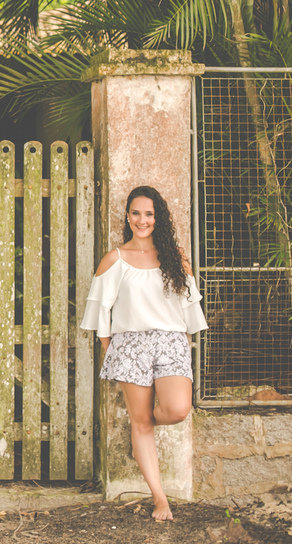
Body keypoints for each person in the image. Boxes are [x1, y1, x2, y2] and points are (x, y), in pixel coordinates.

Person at [81, 185, 207, 522]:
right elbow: (100, 314)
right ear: (127, 217)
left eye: (149, 214)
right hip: (130, 345)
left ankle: (141, 432)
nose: (142, 220)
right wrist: (113, 351)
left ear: (157, 218)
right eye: (136, 213)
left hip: (171, 342)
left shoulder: (175, 258)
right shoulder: (115, 260)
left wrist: (182, 345)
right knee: (140, 424)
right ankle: (160, 499)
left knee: (177, 409)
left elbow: (188, 308)